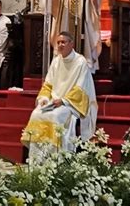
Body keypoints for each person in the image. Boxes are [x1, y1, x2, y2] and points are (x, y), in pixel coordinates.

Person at [21, 31, 97, 162]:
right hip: (54, 101)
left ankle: (55, 157)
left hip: (70, 103)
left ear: (71, 44)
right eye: (58, 42)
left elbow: (81, 89)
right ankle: (36, 158)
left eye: (63, 42)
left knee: (55, 116)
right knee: (36, 113)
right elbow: (48, 85)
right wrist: (44, 99)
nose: (60, 45)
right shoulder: (56, 61)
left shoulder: (80, 62)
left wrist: (63, 101)